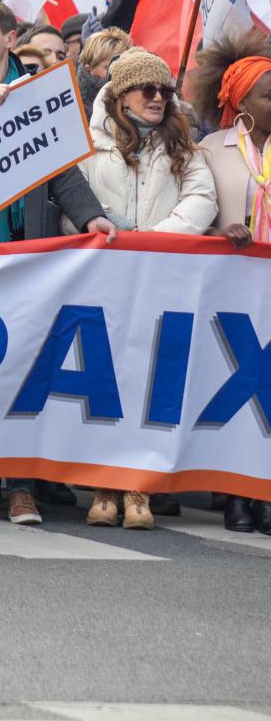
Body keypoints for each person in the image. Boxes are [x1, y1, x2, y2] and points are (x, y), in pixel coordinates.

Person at [0, 0, 116, 525]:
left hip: (27, 252)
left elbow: (62, 168)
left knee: (24, 370)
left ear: (11, 39)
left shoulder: (40, 89)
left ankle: (21, 487)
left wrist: (91, 217)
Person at [71, 49, 218, 530]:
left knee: (150, 382)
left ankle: (138, 488)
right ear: (120, 95)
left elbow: (202, 199)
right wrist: (104, 231)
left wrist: (151, 241)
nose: (158, 98)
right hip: (102, 281)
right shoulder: (87, 147)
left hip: (161, 278)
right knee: (104, 384)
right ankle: (103, 486)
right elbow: (69, 205)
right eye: (147, 89)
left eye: (165, 91)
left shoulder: (182, 147)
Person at [190, 34, 271, 536]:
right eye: (268, 95)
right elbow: (194, 212)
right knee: (239, 389)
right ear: (241, 102)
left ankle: (264, 493)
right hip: (230, 289)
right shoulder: (210, 150)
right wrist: (219, 232)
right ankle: (236, 494)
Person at [76, 27, 133, 117]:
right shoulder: (73, 108)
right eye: (110, 67)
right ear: (89, 69)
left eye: (123, 67)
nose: (117, 73)